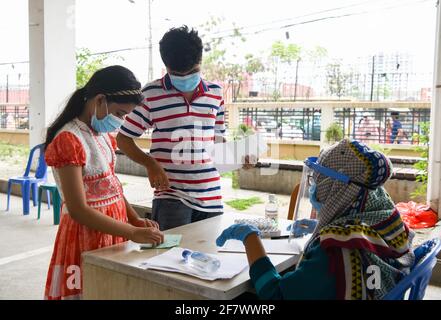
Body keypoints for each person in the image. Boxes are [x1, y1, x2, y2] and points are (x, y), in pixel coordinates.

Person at [216, 139, 416, 300]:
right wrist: (321, 228)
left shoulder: (336, 250)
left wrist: (250, 239)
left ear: (336, 187)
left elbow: (275, 294)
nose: (312, 186)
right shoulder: (386, 218)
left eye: (316, 179)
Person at [43, 66, 164, 300]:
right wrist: (131, 231)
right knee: (88, 290)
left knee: (109, 290)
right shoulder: (69, 139)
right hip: (85, 235)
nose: (121, 121)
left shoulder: (102, 136)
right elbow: (78, 210)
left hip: (113, 229)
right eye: (120, 113)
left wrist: (134, 219)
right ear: (100, 100)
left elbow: (113, 187)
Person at [117, 26, 252, 231]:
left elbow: (217, 143)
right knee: (170, 258)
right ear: (166, 66)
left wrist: (239, 158)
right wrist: (150, 163)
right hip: (171, 198)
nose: (186, 78)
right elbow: (123, 139)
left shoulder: (215, 94)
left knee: (209, 259)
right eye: (177, 74)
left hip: (211, 197)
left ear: (200, 62)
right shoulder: (151, 94)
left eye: (193, 72)